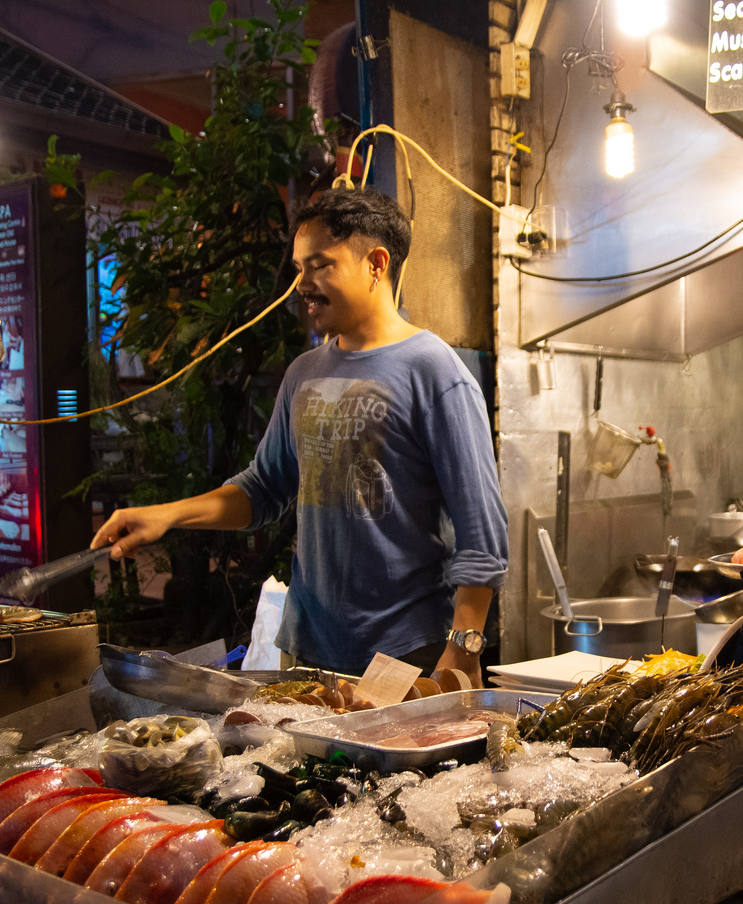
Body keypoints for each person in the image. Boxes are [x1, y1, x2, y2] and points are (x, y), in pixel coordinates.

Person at [92, 187, 508, 687]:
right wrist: (168, 515)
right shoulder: (303, 373)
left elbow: (481, 534)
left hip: (406, 655)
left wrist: (462, 650)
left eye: (320, 265)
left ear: (376, 264)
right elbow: (263, 490)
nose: (302, 285)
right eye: (298, 268)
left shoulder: (436, 371)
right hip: (308, 651)